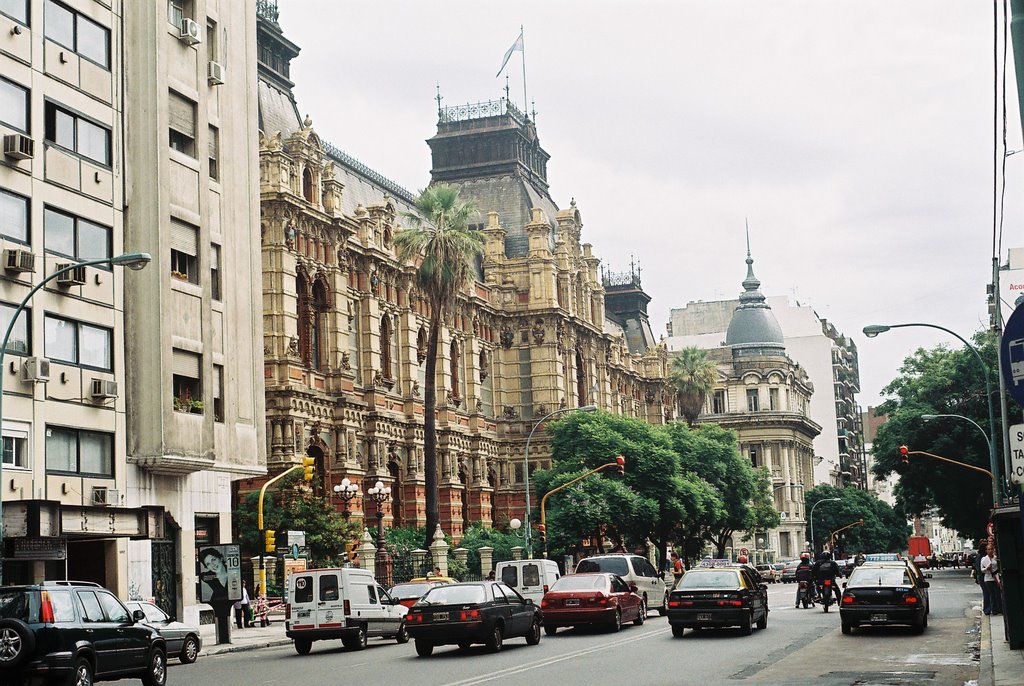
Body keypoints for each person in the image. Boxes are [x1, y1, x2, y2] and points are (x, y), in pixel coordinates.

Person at [981, 544, 1002, 615]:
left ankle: (999, 608)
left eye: (991, 549)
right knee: (991, 594)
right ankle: (993, 609)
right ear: (986, 551)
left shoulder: (995, 558)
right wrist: (987, 568)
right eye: (988, 549)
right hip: (988, 578)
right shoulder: (984, 559)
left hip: (995, 578)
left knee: (997, 593)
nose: (990, 551)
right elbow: (982, 570)